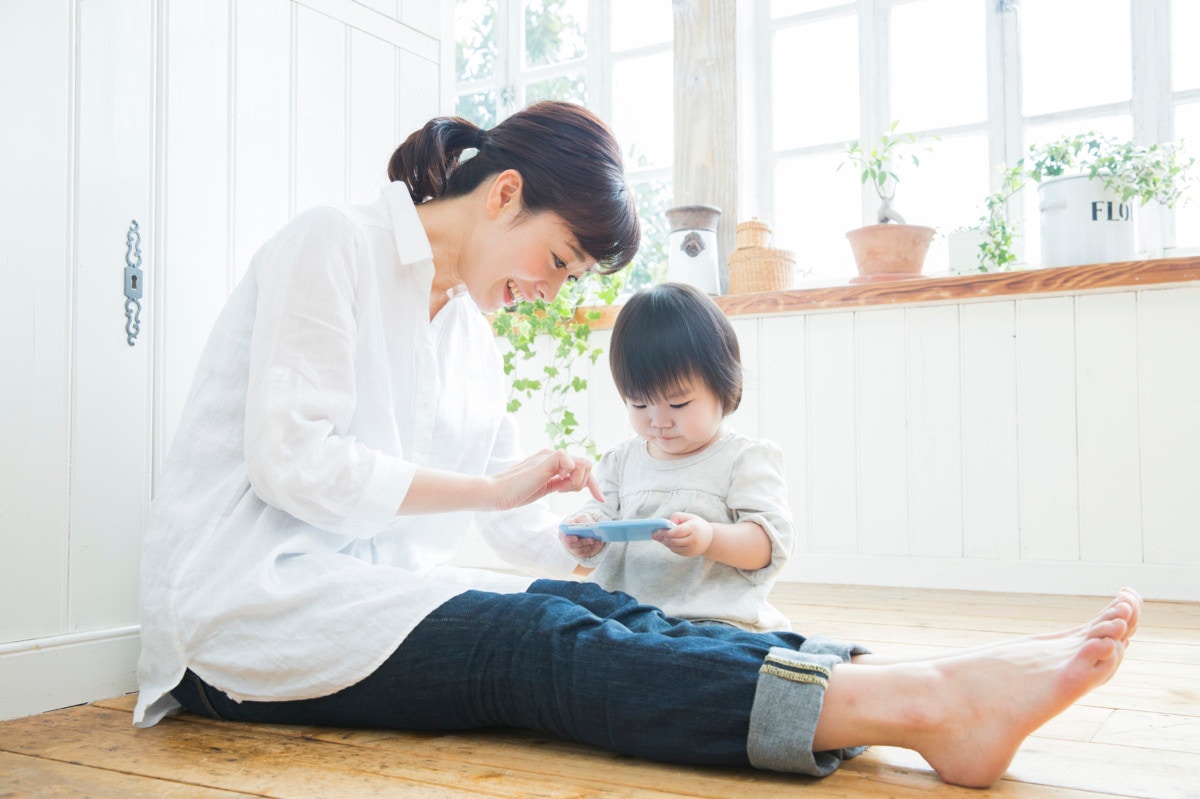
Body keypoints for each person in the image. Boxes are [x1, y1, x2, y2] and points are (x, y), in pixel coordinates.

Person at [133, 99, 1143, 789]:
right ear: (502, 195)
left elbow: (505, 514)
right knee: (541, 646)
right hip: (249, 625)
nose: (554, 288)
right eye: (561, 258)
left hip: (373, 603)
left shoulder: (465, 334)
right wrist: (491, 492)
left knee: (593, 600)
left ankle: (894, 675)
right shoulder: (336, 242)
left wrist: (573, 531)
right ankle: (922, 703)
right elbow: (294, 465)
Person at [561, 282, 795, 632]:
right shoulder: (621, 461)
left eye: (678, 403)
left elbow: (766, 547)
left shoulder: (744, 459)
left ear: (725, 385)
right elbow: (601, 515)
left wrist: (710, 538)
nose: (659, 420)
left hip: (713, 620)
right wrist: (585, 536)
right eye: (639, 403)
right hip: (624, 619)